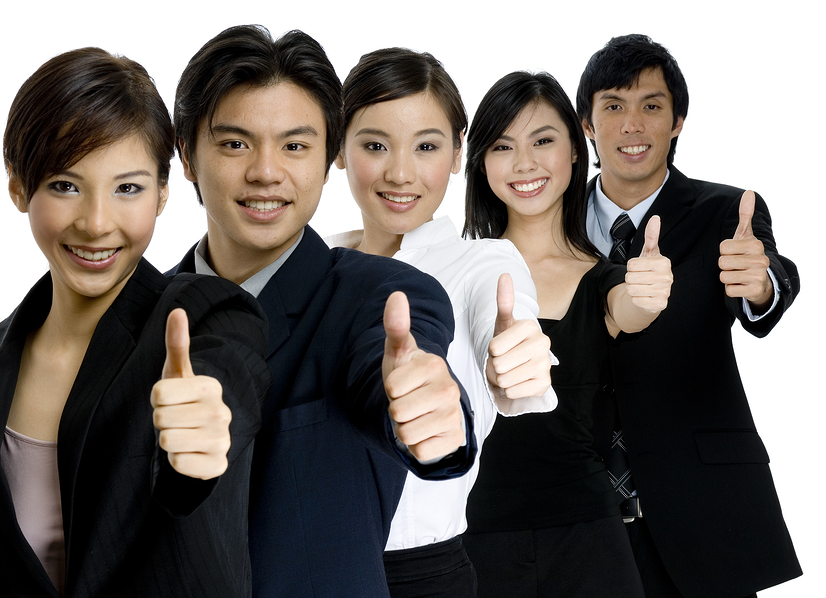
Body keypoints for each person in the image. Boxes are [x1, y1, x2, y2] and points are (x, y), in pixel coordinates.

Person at [0, 48, 270, 597]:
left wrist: (207, 429)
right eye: (65, 185)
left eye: (128, 188)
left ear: (163, 194)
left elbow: (224, 384)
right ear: (19, 187)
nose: (96, 224)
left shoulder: (208, 313)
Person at [168, 26, 477, 597]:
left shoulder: (382, 297)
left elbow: (400, 368)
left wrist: (429, 410)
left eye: (294, 145)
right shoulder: (138, 318)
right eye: (235, 144)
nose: (266, 171)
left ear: (328, 156)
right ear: (186, 155)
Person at [576, 34, 802, 598]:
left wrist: (761, 284)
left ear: (677, 121)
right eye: (614, 106)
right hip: (580, 511)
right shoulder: (553, 221)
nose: (632, 125)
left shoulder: (726, 212)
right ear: (587, 124)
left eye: (651, 106)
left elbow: (766, 284)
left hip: (702, 505)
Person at [330, 48, 557, 597]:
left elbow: (505, 313)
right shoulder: (314, 264)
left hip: (422, 574)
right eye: (375, 145)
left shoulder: (481, 263)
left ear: (458, 153)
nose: (400, 172)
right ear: (339, 148)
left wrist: (517, 355)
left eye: (426, 146)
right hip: (306, 566)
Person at [461, 70, 673, 598]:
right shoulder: (454, 270)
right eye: (502, 145)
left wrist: (645, 294)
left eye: (543, 141)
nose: (525, 163)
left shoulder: (603, 277)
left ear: (577, 152)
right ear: (481, 162)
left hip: (586, 534)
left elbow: (629, 309)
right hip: (470, 533)